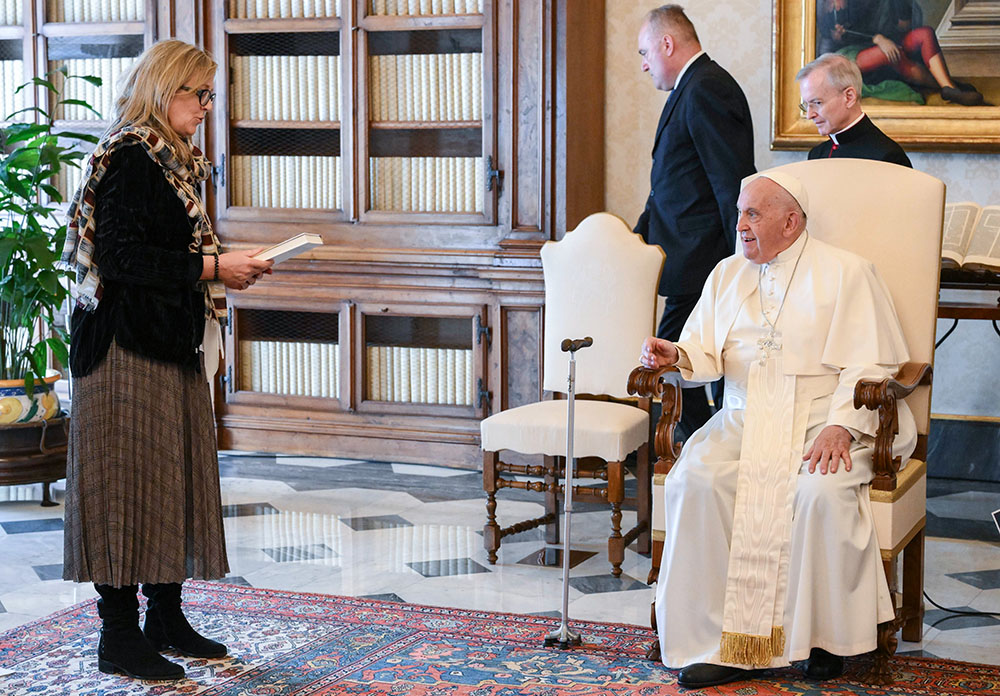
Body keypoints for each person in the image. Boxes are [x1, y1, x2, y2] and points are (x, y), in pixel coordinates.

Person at [639, 172, 916, 689]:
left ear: (790, 221)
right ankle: (718, 640)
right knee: (695, 482)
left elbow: (870, 364)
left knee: (820, 493)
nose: (738, 224)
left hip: (823, 420)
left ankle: (821, 639)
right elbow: (705, 351)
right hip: (744, 419)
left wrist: (840, 424)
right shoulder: (726, 274)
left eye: (752, 214)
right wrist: (674, 354)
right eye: (740, 212)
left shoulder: (847, 273)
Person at [60, 39, 274, 681]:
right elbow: (122, 261)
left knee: (170, 482)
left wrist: (220, 269)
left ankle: (166, 616)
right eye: (198, 93)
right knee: (124, 490)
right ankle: (119, 635)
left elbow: (161, 253)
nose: (209, 106)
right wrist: (215, 265)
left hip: (166, 342)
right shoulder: (130, 157)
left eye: (212, 94)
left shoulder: (175, 162)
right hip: (124, 350)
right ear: (163, 90)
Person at [634, 5, 755, 438]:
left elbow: (731, 185)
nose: (645, 65)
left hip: (705, 263)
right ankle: (708, 447)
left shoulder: (707, 88)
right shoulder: (692, 88)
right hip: (686, 261)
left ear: (668, 43)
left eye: (646, 52)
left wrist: (742, 262)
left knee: (668, 366)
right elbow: (672, 186)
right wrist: (635, 241)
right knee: (675, 368)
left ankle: (709, 447)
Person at [816, 0, 984, 106]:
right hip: (849, 54)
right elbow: (836, 34)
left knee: (924, 33)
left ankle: (948, 87)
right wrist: (877, 38)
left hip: (887, 42)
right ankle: (947, 86)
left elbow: (904, 26)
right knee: (892, 54)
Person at [797, 53, 911, 166]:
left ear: (849, 97)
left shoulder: (887, 157)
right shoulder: (817, 154)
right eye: (806, 105)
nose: (809, 115)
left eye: (817, 103)